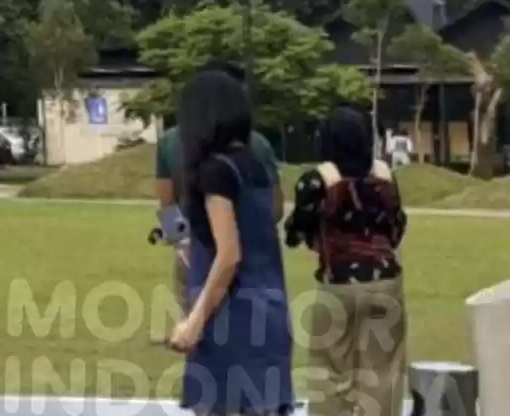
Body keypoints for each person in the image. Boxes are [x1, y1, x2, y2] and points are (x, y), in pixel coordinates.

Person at [166, 67, 295, 416]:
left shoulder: (214, 171)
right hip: (270, 308)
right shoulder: (257, 164)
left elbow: (228, 254)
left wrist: (194, 321)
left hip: (232, 315)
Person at [285, 106, 408, 416]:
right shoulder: (385, 175)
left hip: (337, 282)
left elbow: (296, 230)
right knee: (383, 374)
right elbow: (396, 227)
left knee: (330, 373)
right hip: (385, 279)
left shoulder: (317, 181)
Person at [156, 62, 284, 310]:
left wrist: (181, 246)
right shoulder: (257, 144)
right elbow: (274, 208)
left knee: (196, 323)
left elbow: (166, 204)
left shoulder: (169, 142)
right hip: (251, 259)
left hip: (195, 252)